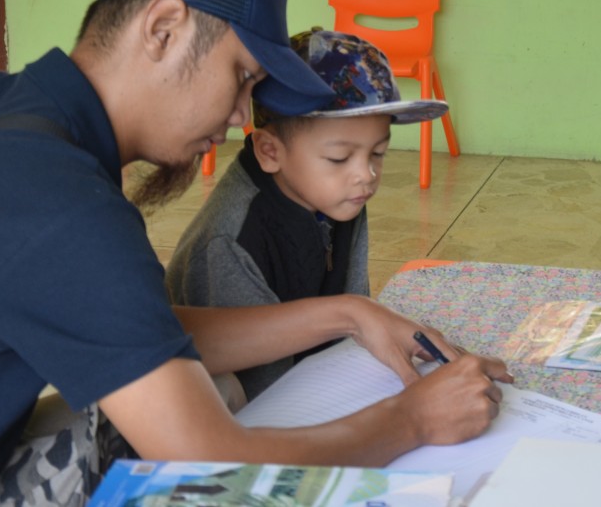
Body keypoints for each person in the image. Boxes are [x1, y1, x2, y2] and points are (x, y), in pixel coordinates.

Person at [0, 0, 510, 507]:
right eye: (241, 76)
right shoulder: (65, 205)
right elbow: (212, 465)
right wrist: (411, 420)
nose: (242, 115)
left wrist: (350, 313)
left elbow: (136, 330)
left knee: (207, 386)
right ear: (162, 29)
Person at [166, 27, 449, 400]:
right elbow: (261, 390)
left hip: (315, 379)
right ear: (270, 152)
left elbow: (353, 317)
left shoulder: (339, 193)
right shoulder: (230, 243)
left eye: (377, 153)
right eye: (339, 157)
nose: (366, 174)